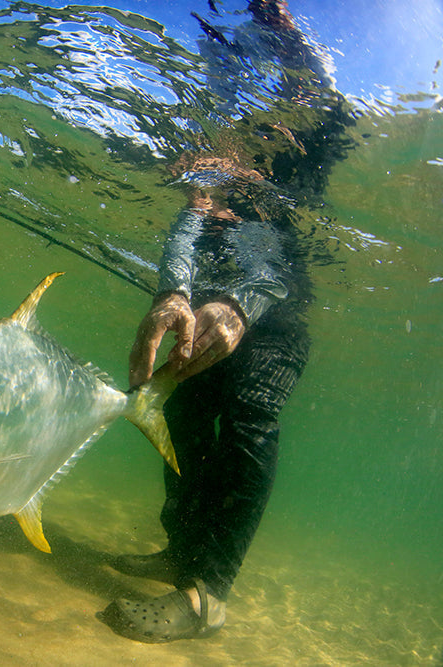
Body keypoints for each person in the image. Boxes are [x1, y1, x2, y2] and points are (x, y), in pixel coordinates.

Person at [97, 0, 352, 642]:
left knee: (246, 420)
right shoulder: (215, 169)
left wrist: (283, 29)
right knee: (180, 416)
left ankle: (208, 593)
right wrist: (172, 293)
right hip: (208, 319)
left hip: (277, 324)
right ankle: (182, 550)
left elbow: (274, 263)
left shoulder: (304, 155)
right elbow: (189, 221)